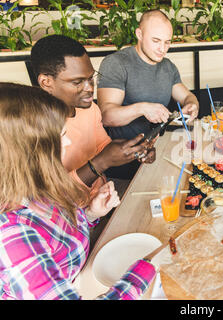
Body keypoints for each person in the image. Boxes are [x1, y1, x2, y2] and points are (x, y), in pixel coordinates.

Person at [0, 83, 160, 299]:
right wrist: (148, 266)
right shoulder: (11, 235)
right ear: (29, 150)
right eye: (60, 136)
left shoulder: (35, 186)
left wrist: (90, 214)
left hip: (83, 273)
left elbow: (57, 234)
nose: (67, 142)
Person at [30, 35, 157, 196]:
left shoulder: (90, 109)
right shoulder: (32, 128)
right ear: (46, 82)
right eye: (77, 82)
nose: (89, 88)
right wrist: (101, 162)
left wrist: (135, 150)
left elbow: (103, 147)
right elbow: (53, 195)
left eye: (91, 78)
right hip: (70, 215)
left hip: (102, 195)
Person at [97, 9, 199, 179]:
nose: (162, 49)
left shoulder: (168, 67)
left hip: (157, 153)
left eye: (167, 42)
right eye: (156, 41)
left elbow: (188, 97)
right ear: (139, 34)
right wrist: (142, 108)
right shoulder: (116, 63)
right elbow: (106, 116)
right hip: (124, 161)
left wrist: (192, 105)